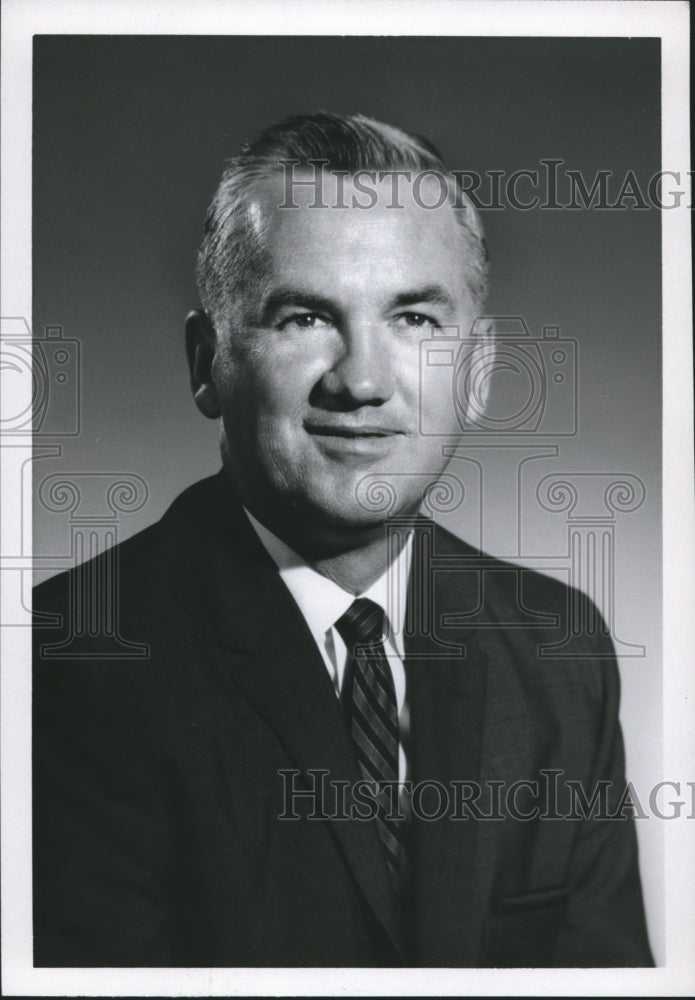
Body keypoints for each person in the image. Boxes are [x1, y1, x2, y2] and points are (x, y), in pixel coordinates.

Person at [33, 112, 653, 968]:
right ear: (207, 363)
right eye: (301, 317)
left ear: (478, 372)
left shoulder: (557, 649)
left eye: (413, 320)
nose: (360, 381)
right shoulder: (62, 667)